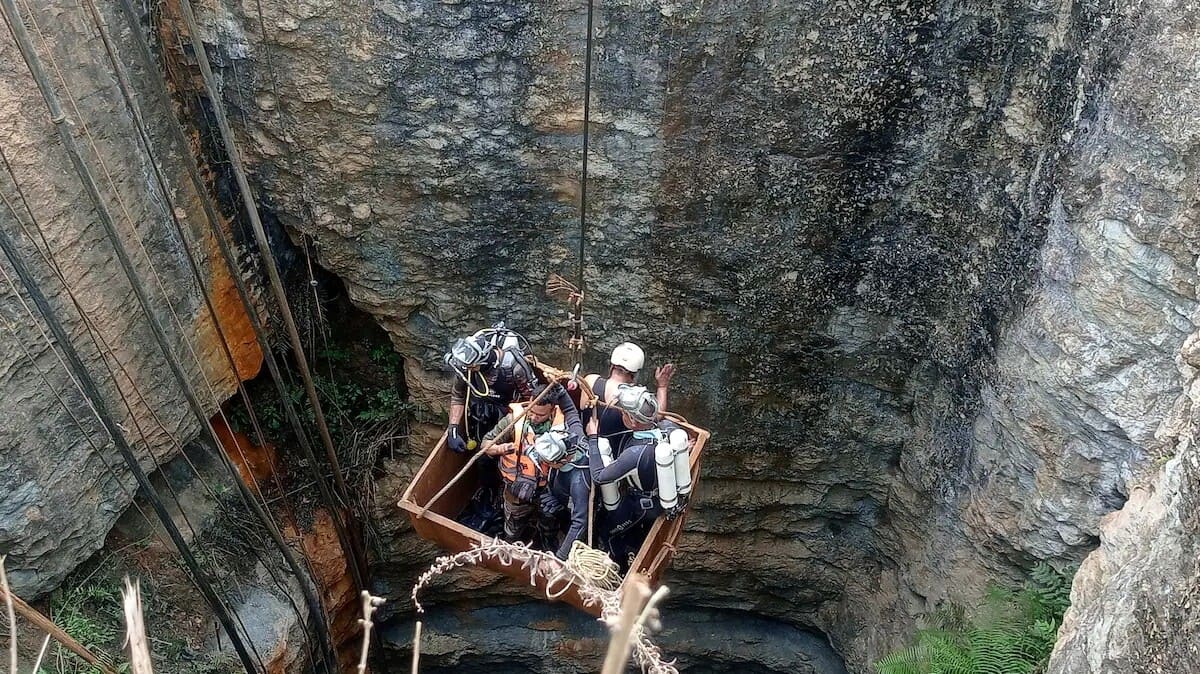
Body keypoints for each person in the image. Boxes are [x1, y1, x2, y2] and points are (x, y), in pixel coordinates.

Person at [587, 384, 692, 565]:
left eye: (624, 413)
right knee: (631, 529)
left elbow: (599, 476)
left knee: (607, 531)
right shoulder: (667, 427)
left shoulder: (634, 455)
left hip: (643, 507)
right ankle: (634, 544)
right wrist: (662, 386)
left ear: (633, 421)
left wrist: (593, 438)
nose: (621, 415)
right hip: (662, 495)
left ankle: (620, 569)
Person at [481, 390, 579, 548]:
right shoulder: (514, 421)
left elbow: (574, 462)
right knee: (512, 528)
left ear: (553, 410)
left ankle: (548, 545)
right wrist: (500, 449)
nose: (533, 417)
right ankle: (509, 548)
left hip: (548, 492)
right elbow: (485, 444)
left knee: (550, 526)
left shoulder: (564, 429)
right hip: (516, 489)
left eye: (540, 415)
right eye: (532, 411)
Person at [582, 342, 676, 447]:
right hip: (614, 453)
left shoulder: (590, 380)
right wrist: (662, 386)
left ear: (612, 366)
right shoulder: (633, 400)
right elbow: (656, 416)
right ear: (635, 374)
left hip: (585, 443)